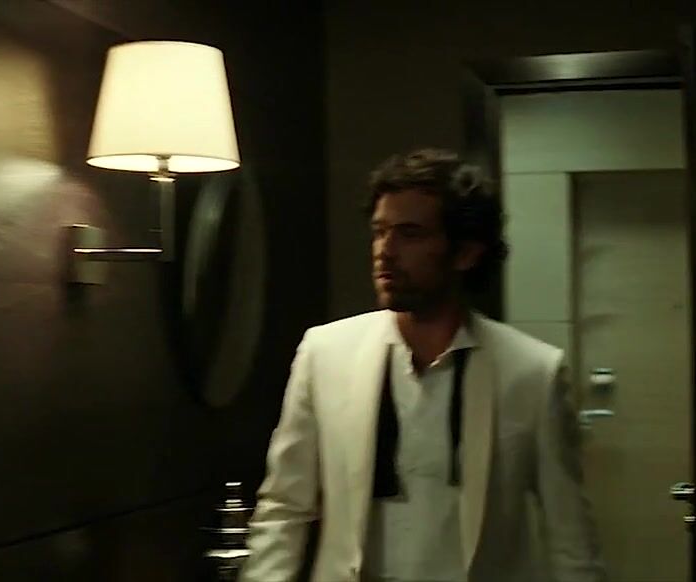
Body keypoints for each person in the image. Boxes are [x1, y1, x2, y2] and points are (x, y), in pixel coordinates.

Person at [243, 148, 604, 582]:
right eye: (380, 232)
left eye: (409, 234)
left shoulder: (532, 373)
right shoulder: (325, 353)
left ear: (465, 253)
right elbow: (285, 507)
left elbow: (570, 539)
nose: (385, 251)